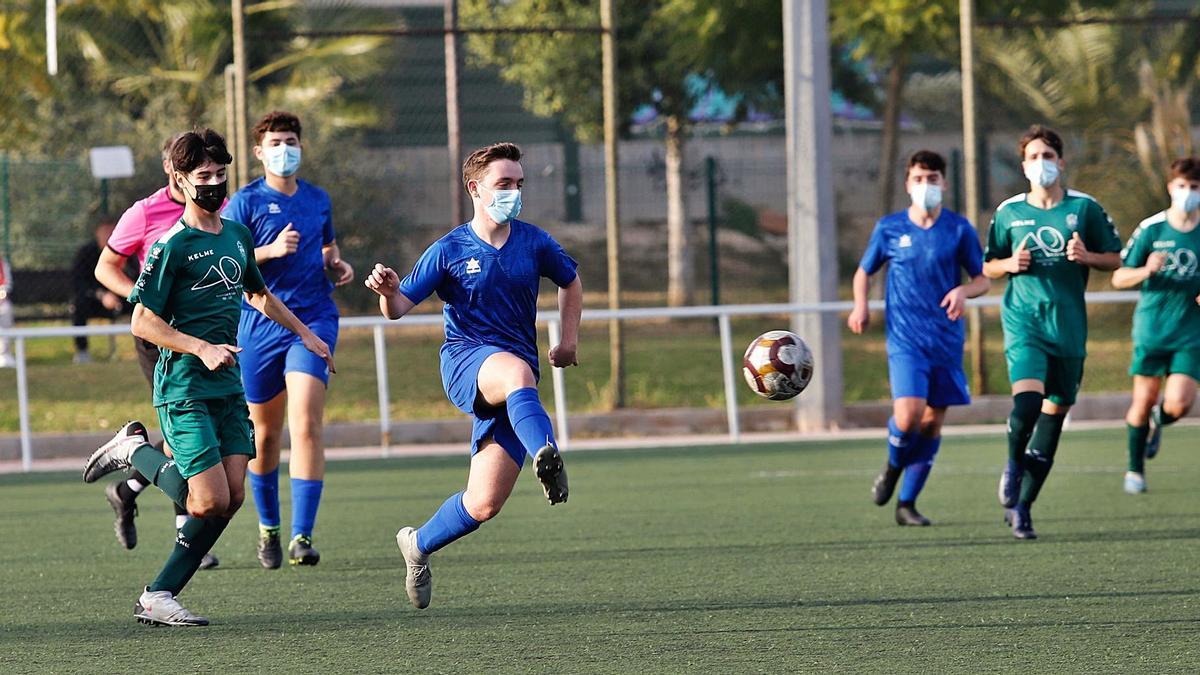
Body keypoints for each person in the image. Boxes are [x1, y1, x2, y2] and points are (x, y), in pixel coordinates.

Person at [82, 128, 333, 626]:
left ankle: (157, 596)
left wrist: (307, 334)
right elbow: (141, 320)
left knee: (232, 497)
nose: (215, 183)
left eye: (221, 174)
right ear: (180, 179)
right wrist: (200, 346)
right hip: (184, 385)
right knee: (209, 498)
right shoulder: (171, 244)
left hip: (226, 384)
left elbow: (258, 294)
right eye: (204, 176)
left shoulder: (237, 235)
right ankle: (137, 456)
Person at [365, 141, 580, 609]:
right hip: (467, 361)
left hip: (514, 383)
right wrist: (386, 291)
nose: (514, 193)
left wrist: (566, 341)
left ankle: (418, 543)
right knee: (517, 371)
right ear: (475, 188)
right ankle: (548, 450)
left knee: (483, 504)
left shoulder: (535, 242)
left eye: (519, 184)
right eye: (504, 184)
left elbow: (570, 280)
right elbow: (398, 307)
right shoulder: (449, 249)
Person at [223, 111, 353, 568]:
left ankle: (302, 535)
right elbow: (228, 263)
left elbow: (326, 250)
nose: (285, 149)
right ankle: (269, 528)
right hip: (258, 325)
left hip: (314, 320)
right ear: (258, 151)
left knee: (307, 423)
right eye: (275, 142)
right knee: (264, 434)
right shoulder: (243, 202)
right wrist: (270, 251)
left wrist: (337, 265)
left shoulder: (318, 199)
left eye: (291, 140)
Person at [983, 125, 1121, 540]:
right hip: (1025, 322)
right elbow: (988, 265)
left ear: (1061, 162)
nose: (1041, 164)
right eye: (1033, 158)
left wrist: (1088, 257)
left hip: (1069, 328)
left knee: (1053, 419)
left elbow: (1116, 258)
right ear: (1024, 167)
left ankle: (1023, 509)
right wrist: (1009, 265)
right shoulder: (1008, 213)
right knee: (1027, 403)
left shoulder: (1085, 209)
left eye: (1048, 156)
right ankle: (1012, 464)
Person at [93, 133, 219, 569]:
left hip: (208, 333)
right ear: (171, 169)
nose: (210, 180)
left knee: (201, 429)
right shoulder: (145, 213)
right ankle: (188, 531)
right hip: (159, 336)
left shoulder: (214, 206)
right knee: (185, 424)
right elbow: (105, 267)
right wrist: (142, 299)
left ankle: (127, 489)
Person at [848, 150, 988, 526]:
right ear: (908, 184)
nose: (926, 185)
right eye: (919, 179)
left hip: (945, 339)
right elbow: (864, 272)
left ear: (944, 183)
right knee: (908, 415)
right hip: (905, 339)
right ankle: (893, 468)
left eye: (933, 179)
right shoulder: (890, 228)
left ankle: (906, 504)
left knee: (931, 423)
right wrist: (861, 306)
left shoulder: (958, 229)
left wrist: (963, 291)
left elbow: (982, 279)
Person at [1111, 157, 1200, 494]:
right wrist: (1145, 271)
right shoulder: (1152, 229)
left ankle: (1159, 422)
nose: (1188, 193)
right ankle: (1135, 471)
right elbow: (1119, 276)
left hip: (1190, 332)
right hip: (1152, 329)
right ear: (1170, 188)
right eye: (1182, 186)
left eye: (1194, 187)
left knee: (1179, 403)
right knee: (1143, 399)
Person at [70, 220, 126, 364]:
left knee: (144, 304)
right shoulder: (85, 253)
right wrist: (101, 295)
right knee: (78, 305)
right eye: (105, 232)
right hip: (94, 301)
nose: (108, 236)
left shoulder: (125, 250)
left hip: (122, 298)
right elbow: (79, 282)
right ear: (97, 234)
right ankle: (82, 351)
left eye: (111, 232)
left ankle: (148, 348)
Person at [0, 255, 13, 368]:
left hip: (1, 302)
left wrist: (1, 297)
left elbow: (5, 286)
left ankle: (5, 355)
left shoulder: (2, 264)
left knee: (6, 309)